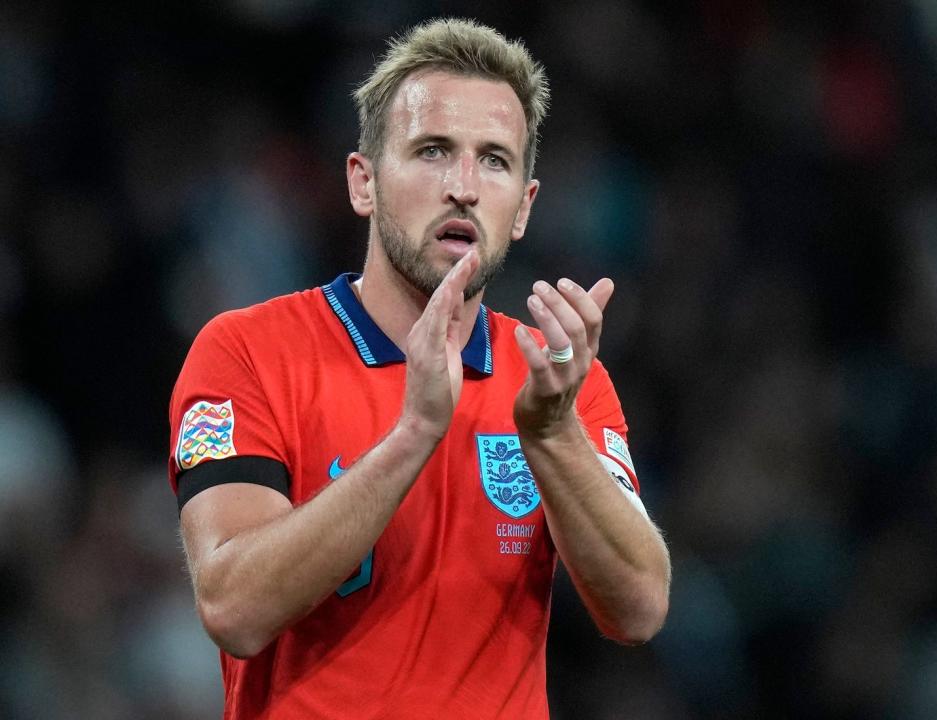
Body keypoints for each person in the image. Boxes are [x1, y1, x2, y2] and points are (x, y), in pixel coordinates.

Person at [168, 18, 670, 719]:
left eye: (494, 159)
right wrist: (414, 432)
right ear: (363, 182)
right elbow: (233, 607)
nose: (463, 185)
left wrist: (554, 436)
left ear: (523, 209)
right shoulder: (249, 352)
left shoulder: (557, 381)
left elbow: (639, 609)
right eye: (433, 151)